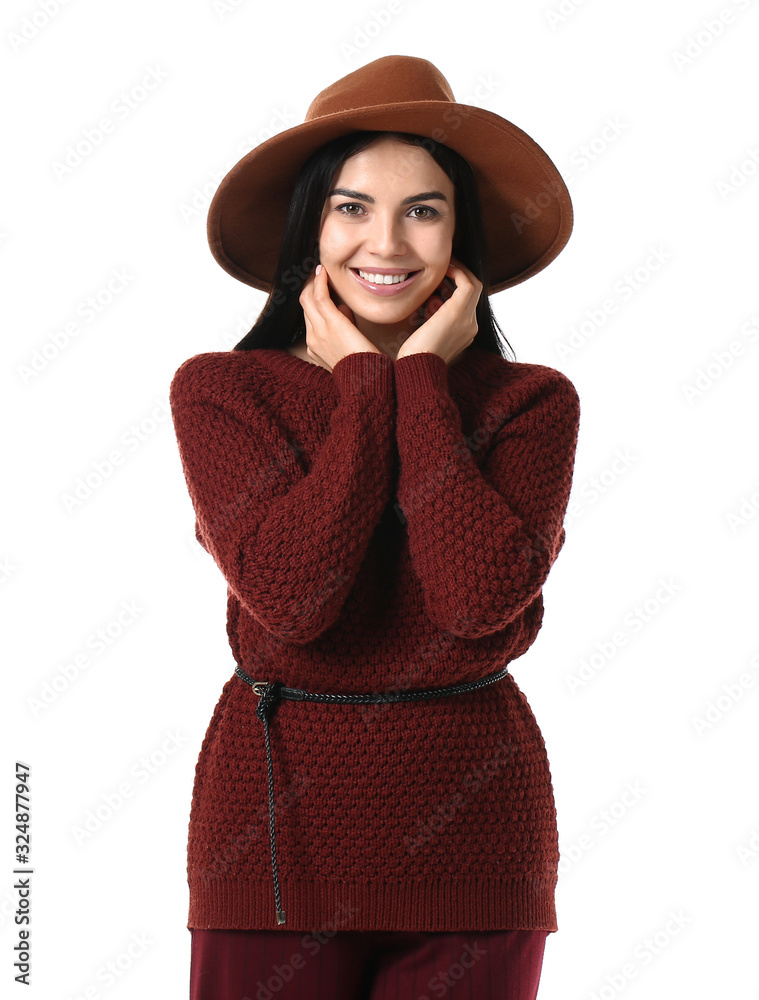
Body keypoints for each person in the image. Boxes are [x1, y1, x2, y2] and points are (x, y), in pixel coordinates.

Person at [169, 54, 581, 1000]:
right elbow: (293, 599)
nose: (385, 240)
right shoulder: (223, 391)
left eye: (422, 210)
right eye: (351, 207)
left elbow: (475, 602)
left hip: (478, 843)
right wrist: (365, 386)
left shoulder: (529, 403)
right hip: (275, 843)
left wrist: (420, 384)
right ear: (309, 229)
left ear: (459, 241)